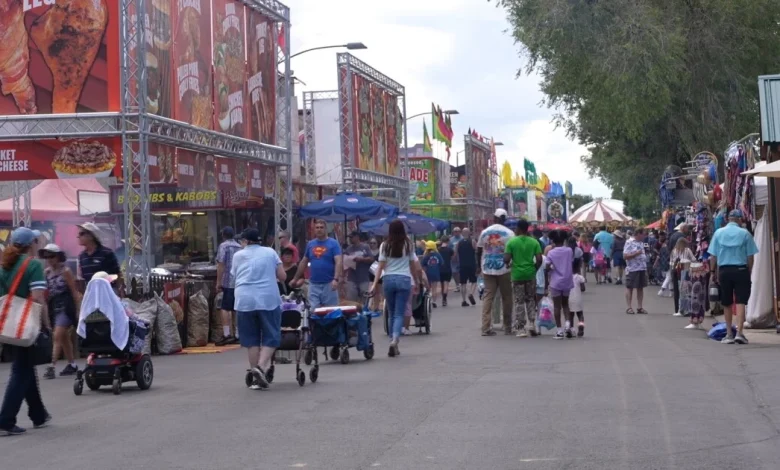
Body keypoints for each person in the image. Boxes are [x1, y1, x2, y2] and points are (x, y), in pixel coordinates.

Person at [0, 228, 51, 435]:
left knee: (25, 367)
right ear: (31, 244)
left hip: (9, 324)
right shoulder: (33, 265)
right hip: (27, 324)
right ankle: (5, 420)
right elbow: (38, 298)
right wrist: (46, 324)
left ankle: (38, 414)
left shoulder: (4, 266)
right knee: (21, 371)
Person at [231, 228, 286, 389]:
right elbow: (282, 276)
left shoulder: (238, 256)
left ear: (246, 241)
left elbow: (236, 276)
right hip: (267, 299)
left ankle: (256, 378)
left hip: (244, 300)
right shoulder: (270, 252)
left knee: (251, 339)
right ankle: (260, 368)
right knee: (272, 335)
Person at [370, 220, 425, 357]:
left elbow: (380, 267)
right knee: (399, 313)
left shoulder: (384, 245)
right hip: (404, 279)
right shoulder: (408, 245)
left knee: (390, 311)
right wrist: (417, 281)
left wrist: (374, 283)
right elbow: (413, 265)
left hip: (388, 279)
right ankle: (395, 339)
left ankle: (391, 340)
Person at [708, 209, 759, 345]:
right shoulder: (745, 234)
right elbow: (750, 257)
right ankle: (740, 333)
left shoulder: (718, 233)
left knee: (727, 302)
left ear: (728, 219)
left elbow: (713, 256)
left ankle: (729, 334)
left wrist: (713, 272)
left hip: (724, 271)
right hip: (741, 269)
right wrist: (749, 271)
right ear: (739, 220)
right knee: (741, 301)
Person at [40, 244, 80, 379]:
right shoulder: (46, 272)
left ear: (58, 256)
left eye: (52, 255)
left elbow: (74, 292)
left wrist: (78, 311)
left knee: (57, 335)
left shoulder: (66, 271)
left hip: (66, 306)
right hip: (54, 307)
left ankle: (52, 366)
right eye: (47, 256)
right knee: (63, 338)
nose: (49, 259)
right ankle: (72, 364)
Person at [476, 209, 515, 336]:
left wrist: (478, 266)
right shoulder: (509, 233)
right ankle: (508, 326)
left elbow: (478, 250)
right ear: (504, 219)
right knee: (507, 297)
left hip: (487, 268)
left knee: (488, 297)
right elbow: (511, 252)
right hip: (505, 268)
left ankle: (485, 327)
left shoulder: (484, 232)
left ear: (494, 217)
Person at [504, 219, 542, 337]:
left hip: (517, 275)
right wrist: (534, 269)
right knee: (530, 299)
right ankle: (532, 324)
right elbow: (539, 260)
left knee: (519, 301)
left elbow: (506, 259)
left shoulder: (511, 242)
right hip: (530, 274)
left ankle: (521, 328)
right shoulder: (534, 242)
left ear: (519, 229)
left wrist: (509, 263)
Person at [292, 220, 342, 308]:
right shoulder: (310, 244)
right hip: (314, 284)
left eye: (321, 227)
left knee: (331, 311)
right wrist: (295, 279)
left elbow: (338, 261)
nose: (319, 230)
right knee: (313, 311)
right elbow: (304, 262)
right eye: (317, 227)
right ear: (314, 230)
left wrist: (336, 279)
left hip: (329, 283)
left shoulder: (334, 243)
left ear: (326, 229)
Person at [215, 227, 242, 346]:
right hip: (240, 281)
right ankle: (238, 334)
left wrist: (218, 282)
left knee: (225, 308)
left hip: (228, 281)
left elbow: (221, 264)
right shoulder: (239, 246)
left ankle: (226, 334)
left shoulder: (223, 246)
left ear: (223, 235)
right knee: (237, 308)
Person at [546, 230, 574, 339]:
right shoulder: (569, 251)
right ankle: (568, 324)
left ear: (553, 240)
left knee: (557, 306)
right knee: (566, 304)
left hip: (556, 282)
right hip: (567, 280)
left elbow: (547, 266)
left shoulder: (551, 252)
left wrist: (552, 268)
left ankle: (559, 330)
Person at [623, 228, 648, 314]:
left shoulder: (641, 243)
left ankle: (640, 307)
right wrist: (636, 254)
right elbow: (625, 256)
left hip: (642, 268)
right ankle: (629, 307)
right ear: (638, 234)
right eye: (643, 234)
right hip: (633, 268)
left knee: (640, 288)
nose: (644, 236)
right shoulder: (629, 242)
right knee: (630, 287)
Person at [343, 231, 374, 302]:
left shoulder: (365, 247)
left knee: (364, 299)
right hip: (352, 278)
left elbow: (371, 259)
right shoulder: (348, 249)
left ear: (357, 237)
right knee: (351, 300)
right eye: (349, 238)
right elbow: (344, 261)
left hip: (363, 277)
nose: (350, 239)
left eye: (351, 237)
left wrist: (361, 259)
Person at [455, 228, 478, 307]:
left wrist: (459, 262)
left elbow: (456, 253)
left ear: (462, 233)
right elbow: (476, 251)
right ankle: (471, 293)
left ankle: (463, 300)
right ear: (469, 233)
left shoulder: (459, 243)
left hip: (462, 265)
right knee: (474, 281)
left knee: (463, 283)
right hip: (471, 264)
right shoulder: (472, 241)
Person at [421, 241, 443, 308]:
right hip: (436, 273)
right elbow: (441, 263)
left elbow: (422, 264)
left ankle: (428, 301)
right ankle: (434, 301)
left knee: (428, 288)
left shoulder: (426, 255)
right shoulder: (438, 254)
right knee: (434, 288)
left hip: (428, 273)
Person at [569, 258, 587, 337]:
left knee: (570, 315)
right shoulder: (580, 277)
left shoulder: (568, 277)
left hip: (569, 298)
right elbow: (583, 289)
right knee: (580, 314)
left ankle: (571, 329)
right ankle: (581, 328)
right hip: (578, 298)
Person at [437, 236, 454, 307]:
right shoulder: (450, 250)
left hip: (440, 269)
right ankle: (444, 299)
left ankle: (443, 299)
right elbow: (452, 258)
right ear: (448, 241)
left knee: (442, 284)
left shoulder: (438, 250)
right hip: (447, 268)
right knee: (446, 283)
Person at [450, 227, 463, 292]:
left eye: (457, 231)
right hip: (454, 259)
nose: (456, 233)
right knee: (454, 272)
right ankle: (457, 285)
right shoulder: (451, 240)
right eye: (455, 231)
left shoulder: (462, 239)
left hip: (461, 258)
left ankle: (461, 284)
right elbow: (449, 248)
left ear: (460, 232)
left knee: (461, 272)